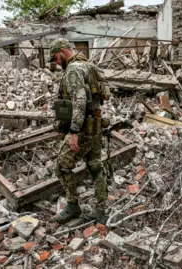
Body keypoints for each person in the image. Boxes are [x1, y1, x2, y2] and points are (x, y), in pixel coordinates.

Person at [49, 38, 108, 224]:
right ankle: (101, 211)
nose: (57, 63)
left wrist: (74, 131)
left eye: (56, 58)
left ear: (63, 51)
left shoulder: (74, 69)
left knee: (61, 166)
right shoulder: (88, 65)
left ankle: (73, 206)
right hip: (95, 126)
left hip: (82, 129)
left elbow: (80, 100)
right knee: (96, 167)